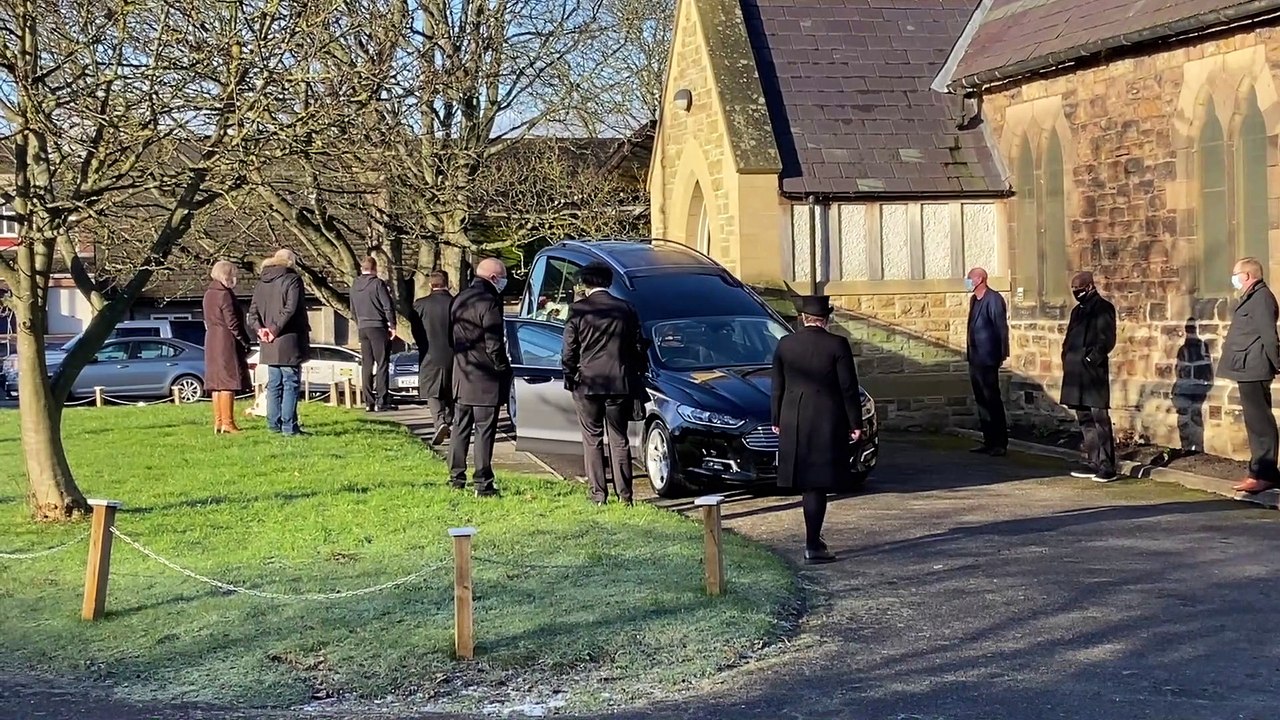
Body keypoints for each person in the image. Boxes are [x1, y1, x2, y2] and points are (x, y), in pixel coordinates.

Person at [771, 295, 863, 565]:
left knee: (807, 483)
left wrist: (776, 418)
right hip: (825, 418)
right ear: (826, 319)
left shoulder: (785, 344)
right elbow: (848, 387)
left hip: (793, 417)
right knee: (817, 484)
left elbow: (777, 384)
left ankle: (815, 540)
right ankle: (813, 543)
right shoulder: (837, 344)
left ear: (803, 318)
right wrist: (855, 423)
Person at [561, 262, 647, 506]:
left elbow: (569, 349)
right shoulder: (626, 309)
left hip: (587, 381)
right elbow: (638, 345)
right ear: (609, 282)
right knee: (619, 439)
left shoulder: (578, 310)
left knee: (592, 438)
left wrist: (569, 374)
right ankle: (625, 496)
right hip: (619, 381)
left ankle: (599, 494)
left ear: (585, 283)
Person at [449, 257, 511, 497]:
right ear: (494, 278)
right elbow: (494, 343)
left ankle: (456, 477)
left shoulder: (459, 299)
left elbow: (449, 337)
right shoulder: (490, 303)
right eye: (503, 277)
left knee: (460, 428)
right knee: (484, 431)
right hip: (485, 377)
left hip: (462, 373)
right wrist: (502, 369)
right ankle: (483, 482)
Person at [1218, 257, 1280, 494]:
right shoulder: (1251, 297)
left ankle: (1265, 474)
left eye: (1236, 274)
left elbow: (1268, 334)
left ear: (1247, 275)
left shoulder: (1261, 298)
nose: (1233, 278)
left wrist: (1277, 363)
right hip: (1246, 367)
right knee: (1255, 423)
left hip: (1255, 367)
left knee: (1260, 423)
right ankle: (1258, 471)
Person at [1061, 271, 1118, 482]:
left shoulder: (1103, 308)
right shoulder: (1077, 311)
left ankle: (1107, 465)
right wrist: (1067, 358)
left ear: (1090, 287)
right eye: (1073, 290)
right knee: (1084, 418)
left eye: (1079, 289)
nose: (1076, 293)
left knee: (1099, 417)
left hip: (1093, 374)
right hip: (1075, 373)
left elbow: (1107, 339)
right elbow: (1068, 338)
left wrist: (1090, 359)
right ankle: (1093, 461)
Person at [247, 248, 311, 436]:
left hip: (267, 341)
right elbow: (291, 308)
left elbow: (253, 312)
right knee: (290, 382)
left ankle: (273, 425)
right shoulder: (293, 280)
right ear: (291, 261)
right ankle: (289, 426)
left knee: (274, 383)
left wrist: (261, 330)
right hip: (288, 339)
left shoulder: (261, 283)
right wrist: (274, 330)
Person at [964, 267, 1009, 456]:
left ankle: (999, 443)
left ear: (980, 279)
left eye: (969, 278)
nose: (967, 281)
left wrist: (1001, 354)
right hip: (975, 358)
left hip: (989, 358)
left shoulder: (994, 299)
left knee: (992, 399)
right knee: (981, 399)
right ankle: (988, 440)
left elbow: (1001, 328)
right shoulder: (974, 300)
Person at [203, 260, 252, 435]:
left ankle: (218, 421)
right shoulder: (225, 294)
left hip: (212, 339)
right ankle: (228, 423)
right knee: (227, 382)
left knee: (216, 383)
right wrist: (245, 341)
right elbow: (233, 322)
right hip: (225, 340)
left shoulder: (209, 293)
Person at [350, 256, 397, 412]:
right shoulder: (378, 284)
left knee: (367, 365)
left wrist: (359, 323)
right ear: (375, 268)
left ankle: (368, 402)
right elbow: (387, 305)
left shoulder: (354, 285)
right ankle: (382, 401)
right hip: (377, 326)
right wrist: (392, 324)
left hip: (363, 327)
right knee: (382, 363)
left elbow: (353, 309)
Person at [413, 270, 455, 445]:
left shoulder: (420, 305)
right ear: (448, 283)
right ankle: (449, 420)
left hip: (429, 353)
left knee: (433, 391)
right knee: (452, 391)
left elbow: (416, 331)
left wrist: (423, 345)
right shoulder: (456, 303)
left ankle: (440, 422)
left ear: (431, 285)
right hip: (454, 353)